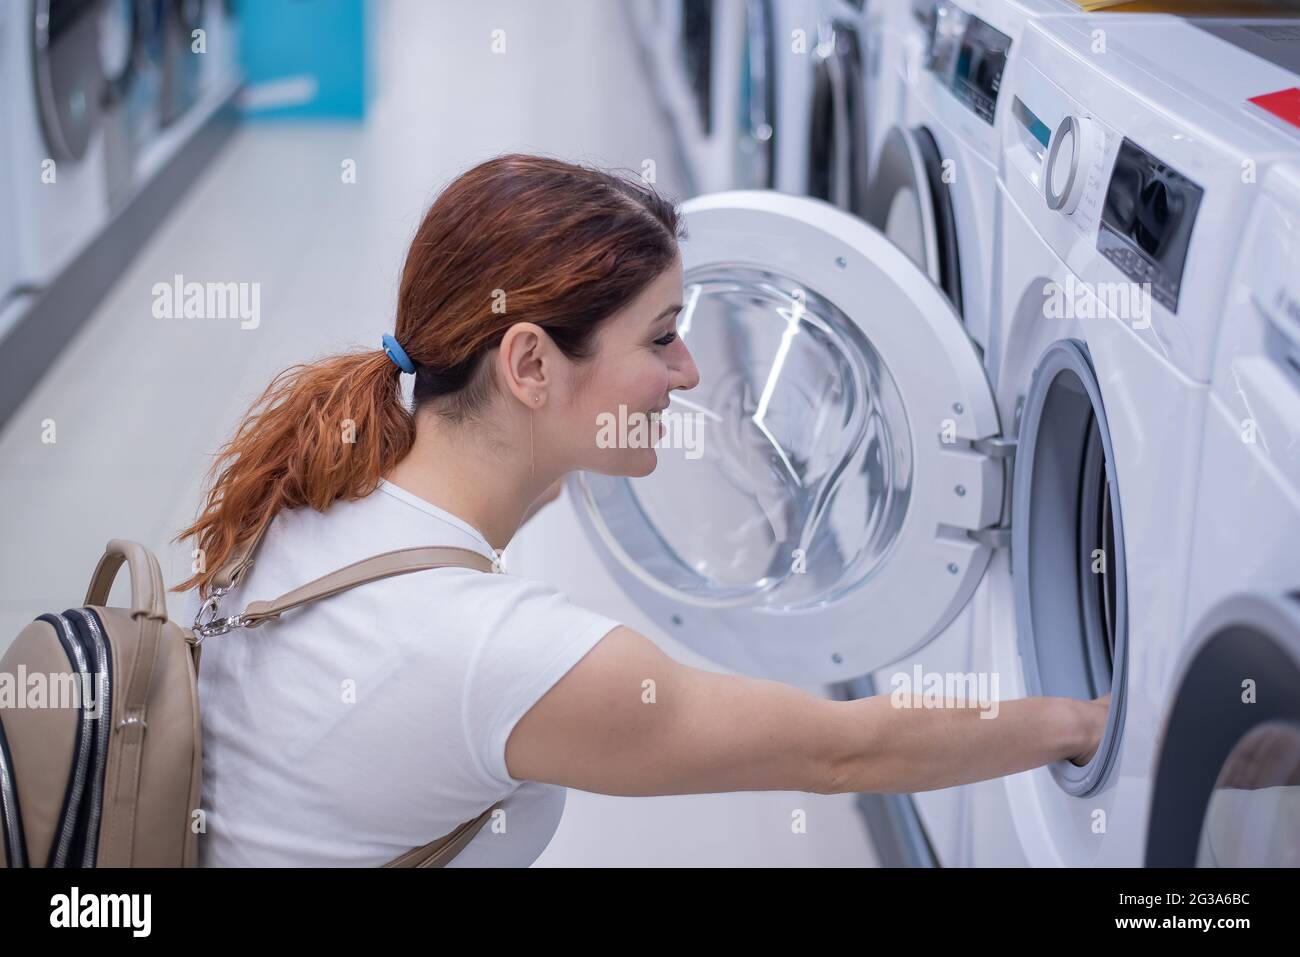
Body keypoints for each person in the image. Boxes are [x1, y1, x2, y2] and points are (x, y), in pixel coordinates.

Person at [172, 153, 1108, 867]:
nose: (689, 372)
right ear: (531, 365)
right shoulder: (505, 656)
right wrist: (1087, 723)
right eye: (663, 337)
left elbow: (539, 468)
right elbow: (844, 754)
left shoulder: (321, 487)